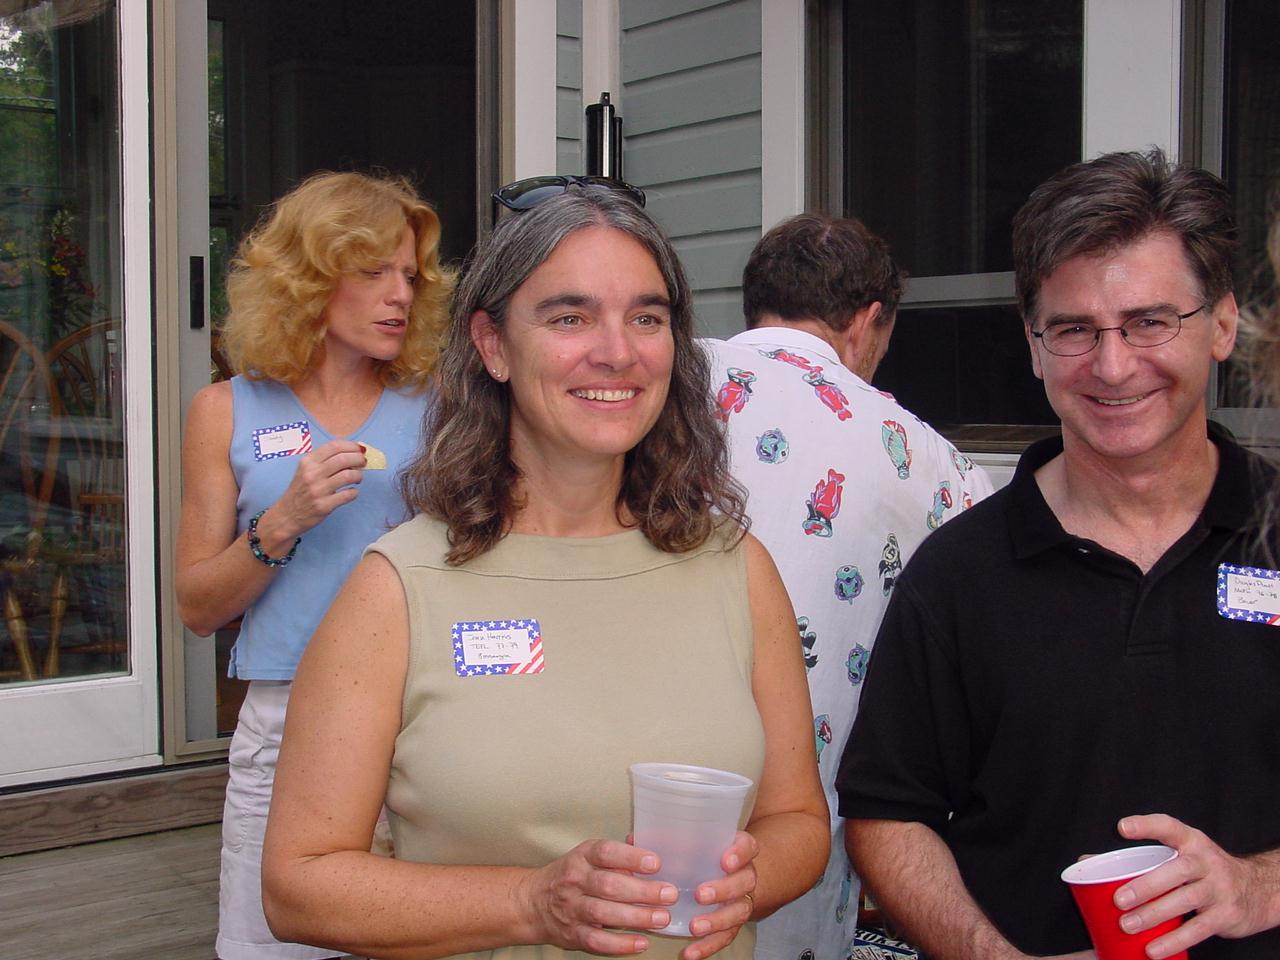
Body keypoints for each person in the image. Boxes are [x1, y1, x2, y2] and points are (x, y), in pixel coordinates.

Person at [258, 185, 830, 960]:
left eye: (647, 318)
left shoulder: (737, 569)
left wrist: (746, 884)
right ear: (492, 345)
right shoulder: (398, 588)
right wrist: (530, 903)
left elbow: (799, 822)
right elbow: (298, 885)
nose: (618, 351)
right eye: (569, 318)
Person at [836, 147, 1280, 960]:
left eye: (1149, 322)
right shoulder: (958, 577)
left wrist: (1260, 885)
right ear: (1034, 345)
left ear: (1221, 324)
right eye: (1075, 330)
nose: (1113, 366)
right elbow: (887, 813)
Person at [700, 213, 993, 960]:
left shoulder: (654, 383)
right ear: (867, 322)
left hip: (621, 818)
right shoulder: (936, 464)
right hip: (801, 848)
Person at [175, 171, 451, 960]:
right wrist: (283, 521)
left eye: (410, 276)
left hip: (423, 713)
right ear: (309, 279)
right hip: (287, 717)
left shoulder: (446, 405)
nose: (399, 295)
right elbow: (197, 607)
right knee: (272, 944)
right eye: (373, 272)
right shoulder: (225, 411)